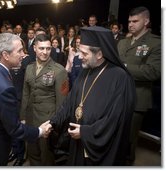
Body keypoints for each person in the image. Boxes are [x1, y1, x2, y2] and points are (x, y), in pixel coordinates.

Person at [45, 26, 136, 166]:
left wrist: (86, 132)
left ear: (99, 54)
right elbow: (69, 103)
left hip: (100, 146)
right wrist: (53, 122)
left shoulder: (120, 77)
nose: (79, 56)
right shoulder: (85, 71)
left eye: (84, 53)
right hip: (78, 141)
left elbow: (116, 119)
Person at [0, 33, 51, 166]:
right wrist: (39, 131)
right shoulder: (4, 88)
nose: (23, 54)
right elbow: (15, 129)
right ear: (5, 55)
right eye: (19, 51)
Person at [117, 6, 161, 165]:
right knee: (114, 135)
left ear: (146, 21)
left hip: (137, 99)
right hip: (117, 97)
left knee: (128, 140)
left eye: (135, 21)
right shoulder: (122, 42)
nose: (131, 24)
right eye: (129, 21)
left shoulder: (156, 43)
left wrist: (125, 67)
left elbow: (153, 72)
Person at [20, 34, 69, 166]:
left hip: (47, 120)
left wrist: (54, 125)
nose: (45, 52)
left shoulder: (59, 71)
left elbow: (62, 103)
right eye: (41, 48)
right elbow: (25, 93)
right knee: (33, 153)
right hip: (30, 119)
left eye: (48, 48)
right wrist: (23, 117)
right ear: (34, 48)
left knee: (47, 156)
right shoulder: (29, 67)